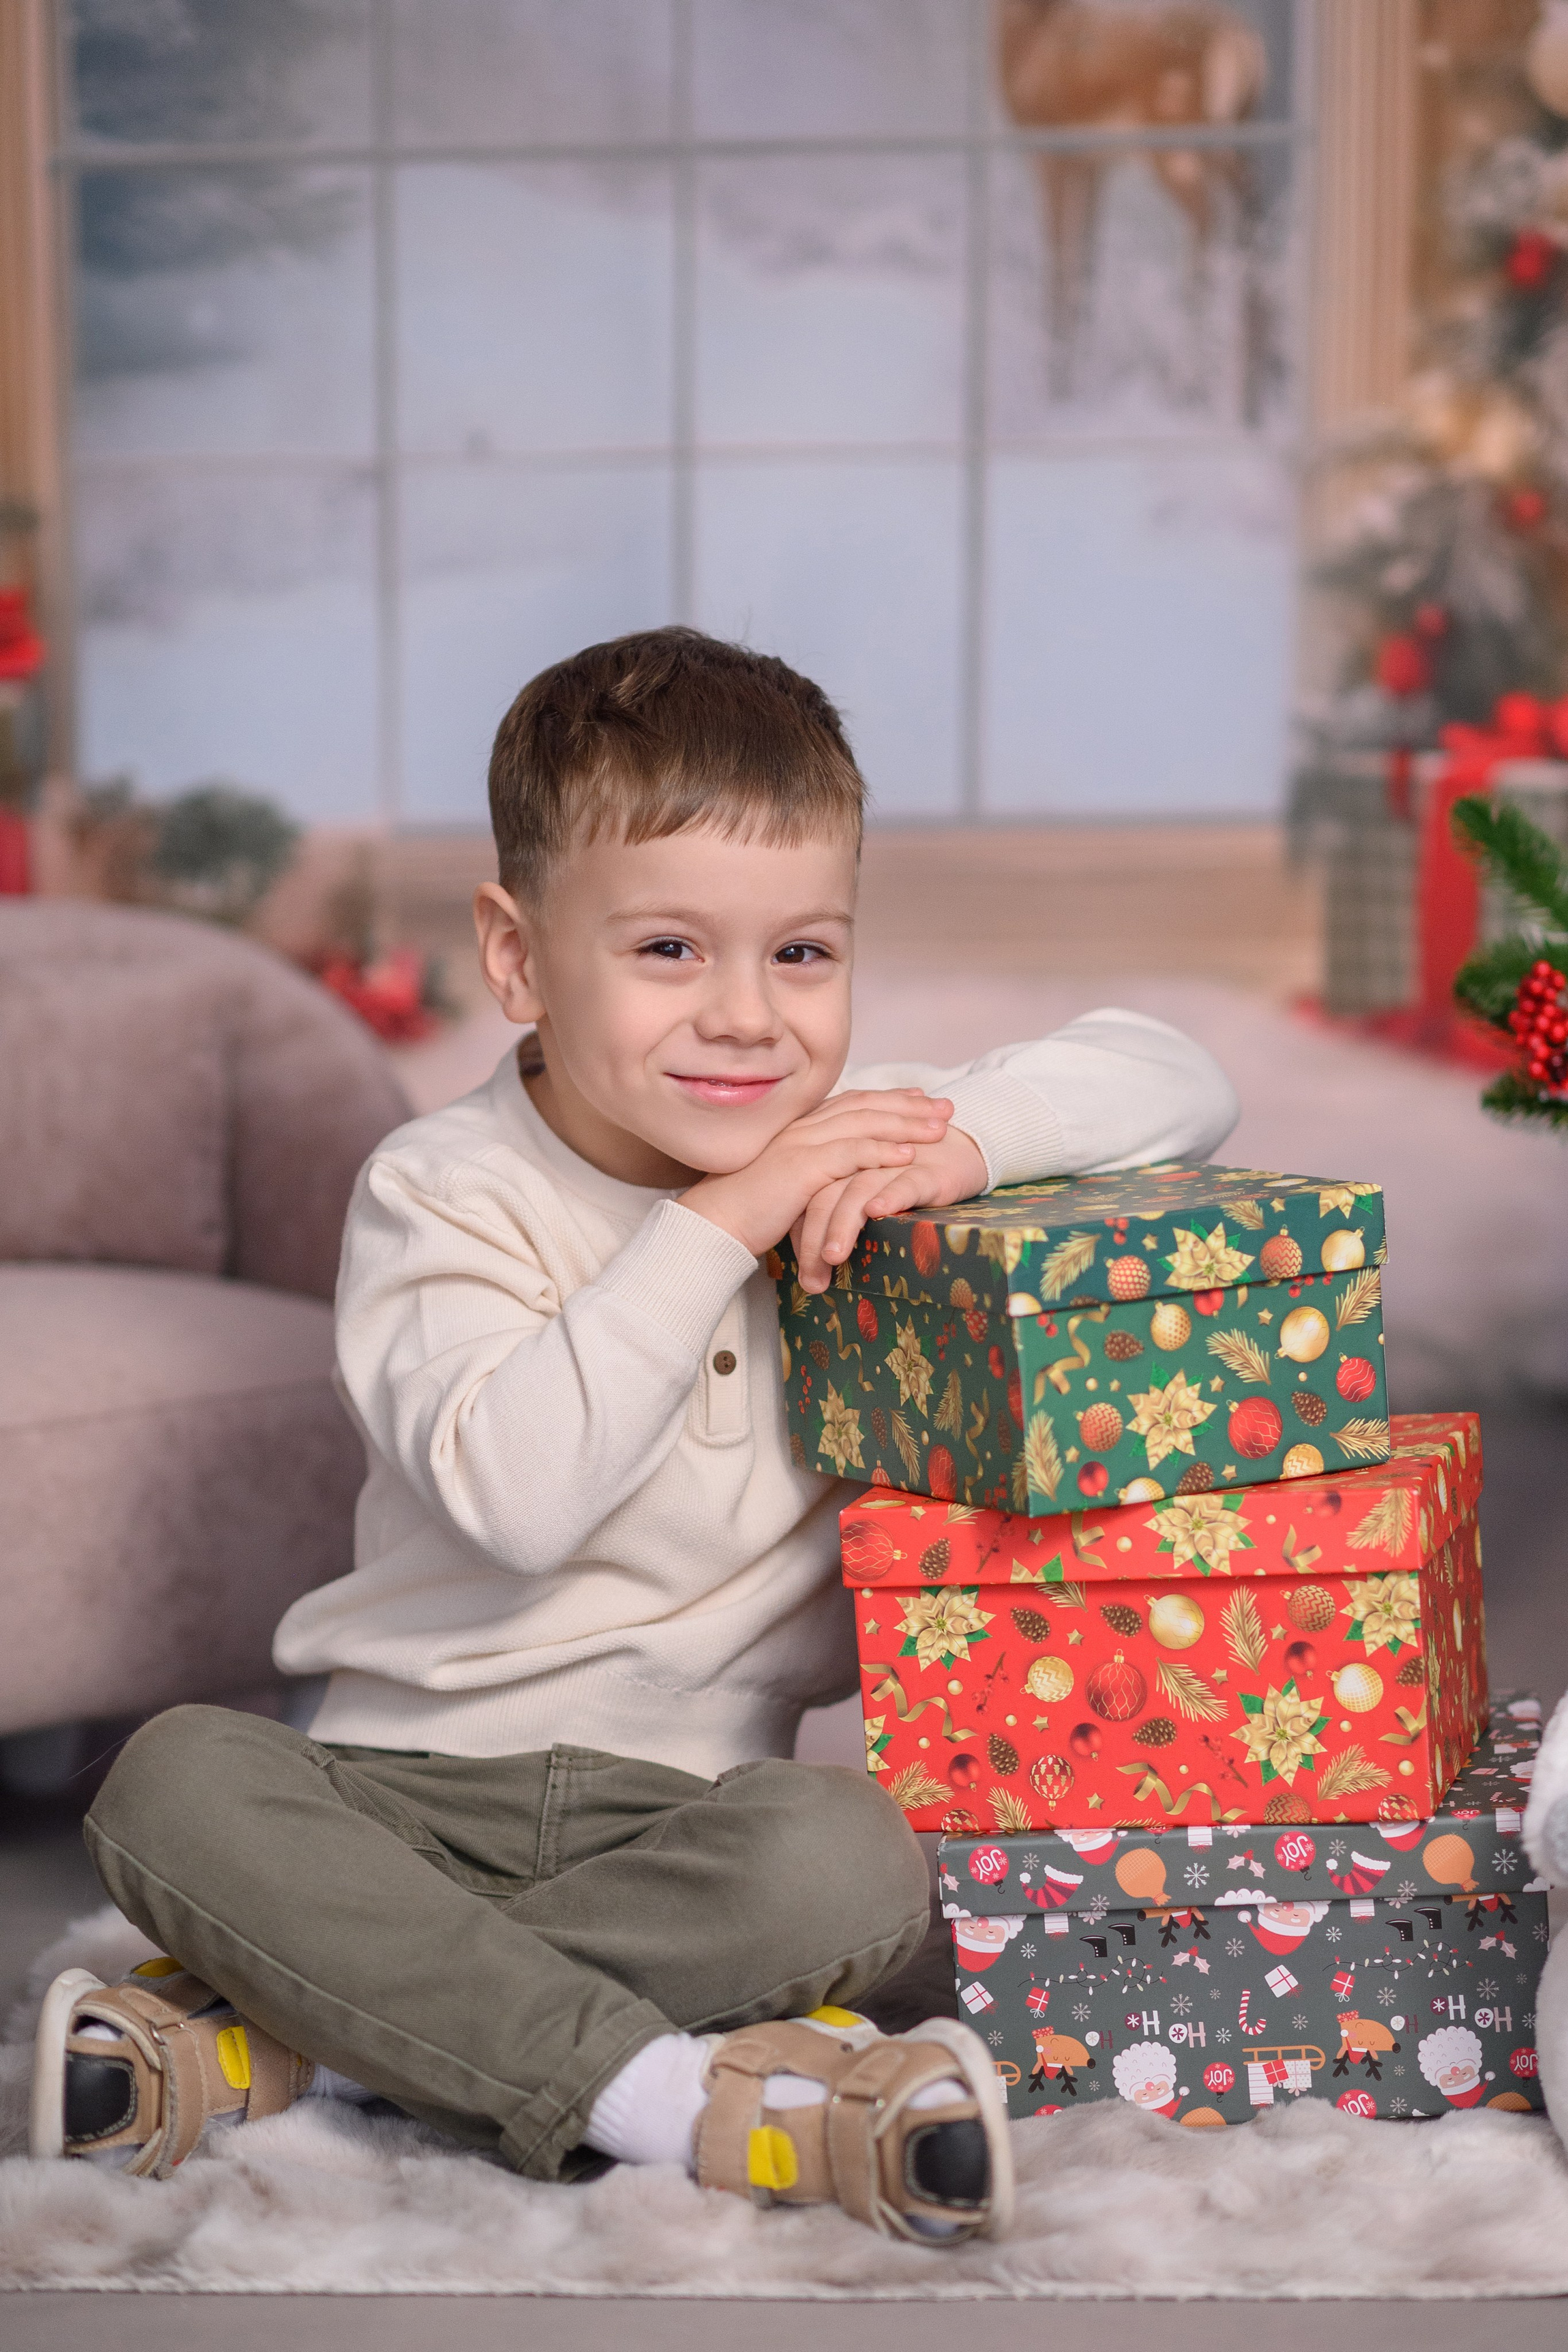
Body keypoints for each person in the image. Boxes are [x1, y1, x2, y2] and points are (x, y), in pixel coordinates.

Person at [32, 628, 1237, 2241]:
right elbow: (521, 1497)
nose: (748, 1019)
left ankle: (315, 2033)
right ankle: (661, 2094)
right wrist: (725, 1221)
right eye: (670, 950)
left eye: (803, 955)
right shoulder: (440, 1192)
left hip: (685, 1821)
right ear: (520, 959)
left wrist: (968, 1139)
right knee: (168, 1784)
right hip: (387, 1795)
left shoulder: (838, 1142)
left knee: (854, 1858)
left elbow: (1176, 1075)